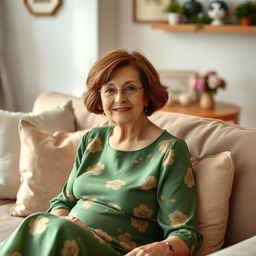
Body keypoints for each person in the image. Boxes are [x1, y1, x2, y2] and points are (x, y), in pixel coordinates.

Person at [0, 49, 203, 256]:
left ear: (147, 96)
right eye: (110, 90)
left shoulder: (169, 151)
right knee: (43, 224)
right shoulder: (93, 140)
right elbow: (65, 200)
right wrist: (61, 219)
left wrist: (162, 248)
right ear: (100, 98)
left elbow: (186, 233)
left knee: (47, 226)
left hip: (114, 251)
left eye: (130, 88)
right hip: (67, 240)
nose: (119, 98)